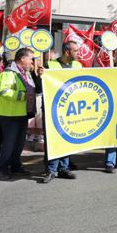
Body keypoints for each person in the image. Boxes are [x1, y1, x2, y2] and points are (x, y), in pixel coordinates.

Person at [0, 48, 39, 180]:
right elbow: (3, 91)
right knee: (9, 143)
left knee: (19, 143)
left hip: (22, 113)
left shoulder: (26, 73)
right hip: (9, 115)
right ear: (22, 59)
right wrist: (22, 96)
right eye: (31, 59)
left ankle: (15, 166)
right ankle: (2, 169)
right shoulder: (8, 73)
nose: (32, 62)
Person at [42, 42, 81, 183]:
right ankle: (51, 170)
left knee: (67, 137)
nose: (79, 53)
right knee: (54, 139)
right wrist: (40, 74)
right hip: (53, 108)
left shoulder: (78, 65)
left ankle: (64, 168)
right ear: (67, 52)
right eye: (76, 50)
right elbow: (42, 85)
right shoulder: (50, 65)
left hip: (70, 109)